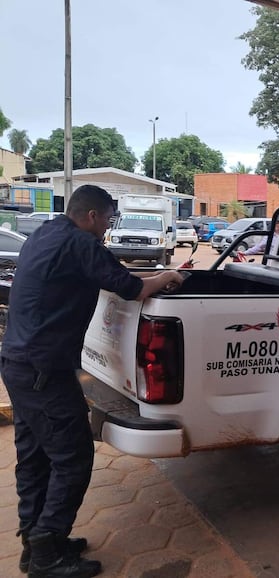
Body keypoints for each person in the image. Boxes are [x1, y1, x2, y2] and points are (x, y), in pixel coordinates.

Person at [1, 185, 186, 577]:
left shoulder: (47, 233)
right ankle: (47, 555)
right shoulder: (82, 245)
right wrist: (168, 275)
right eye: (105, 220)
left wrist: (145, 275)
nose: (106, 228)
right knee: (73, 458)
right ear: (91, 217)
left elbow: (113, 274)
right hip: (44, 371)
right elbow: (135, 289)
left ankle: (35, 542)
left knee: (34, 457)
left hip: (18, 365)